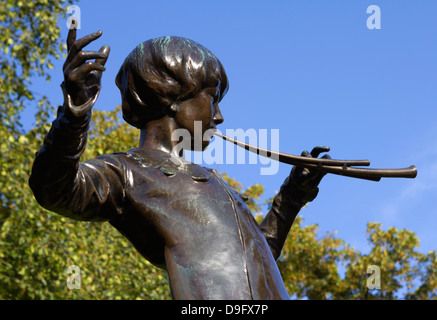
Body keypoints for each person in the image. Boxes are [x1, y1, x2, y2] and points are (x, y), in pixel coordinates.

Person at [29, 26, 331, 300]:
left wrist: (291, 197)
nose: (219, 116)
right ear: (171, 94)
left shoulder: (212, 179)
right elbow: (55, 189)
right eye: (211, 98)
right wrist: (75, 115)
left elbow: (256, 255)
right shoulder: (126, 171)